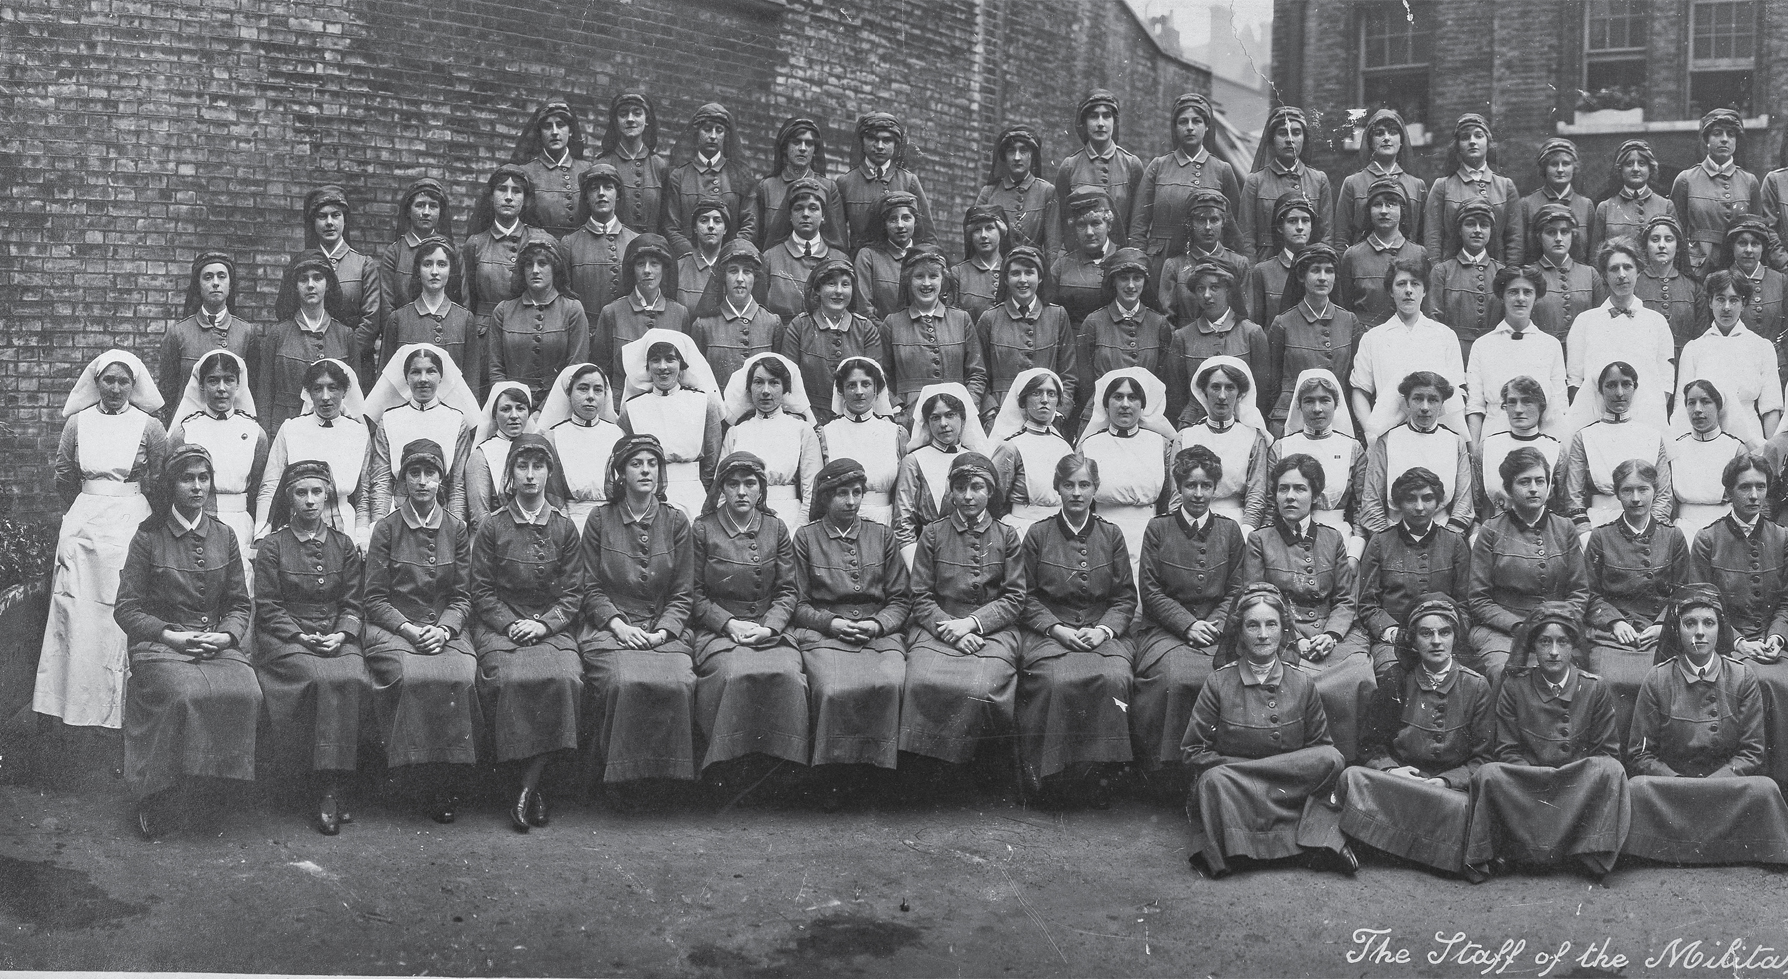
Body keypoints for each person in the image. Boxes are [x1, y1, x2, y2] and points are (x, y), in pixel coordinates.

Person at [114, 444, 259, 838]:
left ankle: (213, 788)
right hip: (160, 646)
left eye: (203, 478)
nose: (197, 487)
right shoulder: (148, 537)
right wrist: (170, 635)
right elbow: (126, 610)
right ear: (170, 485)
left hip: (214, 642)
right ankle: (156, 793)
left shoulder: (225, 535)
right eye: (187, 478)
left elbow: (238, 603)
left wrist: (226, 635)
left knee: (248, 691)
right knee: (185, 693)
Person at [1181, 583, 1354, 879]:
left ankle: (1266, 846)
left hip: (1289, 784)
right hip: (1239, 785)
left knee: (1333, 758)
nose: (1262, 634)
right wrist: (1247, 772)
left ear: (1284, 630)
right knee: (1212, 781)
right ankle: (1303, 844)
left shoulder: (1302, 683)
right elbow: (1193, 751)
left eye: (1271, 624)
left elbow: (1319, 747)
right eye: (1253, 625)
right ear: (1240, 632)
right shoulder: (1218, 683)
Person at [36, 350, 169, 730]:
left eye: (122, 381)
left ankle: (123, 713)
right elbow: (64, 474)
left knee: (121, 613)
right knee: (78, 613)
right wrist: (82, 511)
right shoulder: (77, 423)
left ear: (134, 384)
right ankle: (74, 709)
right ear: (96, 384)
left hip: (130, 522)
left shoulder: (150, 427)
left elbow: (159, 478)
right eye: (107, 380)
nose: (114, 388)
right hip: (84, 526)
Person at [359, 437, 479, 824]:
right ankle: (411, 777)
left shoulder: (457, 529)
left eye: (431, 473)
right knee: (411, 676)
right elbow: (374, 599)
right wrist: (409, 630)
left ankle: (444, 779)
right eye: (415, 473)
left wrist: (445, 630)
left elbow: (463, 597)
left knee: (459, 675)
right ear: (403, 479)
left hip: (445, 631)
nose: (423, 482)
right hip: (394, 629)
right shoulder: (386, 528)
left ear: (441, 480)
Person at [1624, 586, 1788, 866]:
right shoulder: (1657, 679)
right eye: (1690, 623)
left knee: (1765, 790)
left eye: (1708, 623)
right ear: (1678, 630)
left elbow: (1752, 752)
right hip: (1672, 790)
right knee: (1637, 789)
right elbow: (1641, 754)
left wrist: (1715, 782)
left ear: (1719, 630)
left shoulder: (1742, 676)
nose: (1699, 632)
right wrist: (1678, 782)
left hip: (1725, 789)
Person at [1465, 603, 1630, 883]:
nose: (1553, 651)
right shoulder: (1514, 687)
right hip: (1528, 782)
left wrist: (1569, 775)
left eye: (1562, 642)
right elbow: (1507, 749)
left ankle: (1590, 852)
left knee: (1612, 770)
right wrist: (1539, 776)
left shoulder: (1594, 687)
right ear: (1533, 646)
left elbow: (1607, 750)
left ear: (1573, 646)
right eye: (1545, 642)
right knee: (1489, 775)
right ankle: (1514, 852)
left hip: (1577, 783)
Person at [470, 433, 585, 832]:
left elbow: (573, 593)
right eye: (523, 466)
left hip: (551, 627)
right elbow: (481, 591)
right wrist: (509, 623)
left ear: (549, 472)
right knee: (507, 680)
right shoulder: (492, 527)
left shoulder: (565, 528)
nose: (531, 475)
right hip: (501, 627)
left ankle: (528, 786)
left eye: (539, 466)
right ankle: (524, 785)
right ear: (511, 473)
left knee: (565, 678)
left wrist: (545, 623)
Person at [1333, 596, 1492, 881]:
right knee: (1352, 778)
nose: (1436, 641)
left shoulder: (1476, 686)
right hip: (1401, 784)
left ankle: (1388, 843)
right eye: (1426, 633)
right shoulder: (1396, 678)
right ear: (1413, 639)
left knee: (1465, 809)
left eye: (1444, 632)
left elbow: (1484, 758)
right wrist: (1393, 770)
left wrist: (1446, 781)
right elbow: (1370, 745)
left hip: (1448, 791)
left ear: (1455, 637)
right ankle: (1430, 851)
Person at [252, 460, 370, 836]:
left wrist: (342, 634)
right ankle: (315, 787)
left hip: (334, 635)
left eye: (316, 492)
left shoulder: (344, 545)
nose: (309, 501)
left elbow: (354, 603)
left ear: (327, 496)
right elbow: (268, 606)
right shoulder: (273, 547)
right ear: (289, 499)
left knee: (352, 674)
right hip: (286, 639)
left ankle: (335, 783)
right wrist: (300, 636)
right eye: (301, 493)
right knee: (315, 678)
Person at [578, 434, 699, 798]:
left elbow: (682, 591)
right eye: (636, 463)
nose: (645, 470)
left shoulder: (676, 521)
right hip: (610, 629)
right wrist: (617, 623)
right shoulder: (599, 519)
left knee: (678, 682)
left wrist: (663, 633)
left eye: (652, 464)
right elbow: (588, 585)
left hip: (662, 631)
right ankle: (620, 784)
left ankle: (667, 785)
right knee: (623, 682)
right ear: (620, 472)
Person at [1016, 454, 1135, 806]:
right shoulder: (1038, 535)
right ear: (1057, 488)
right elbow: (1025, 596)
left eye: (1084, 485)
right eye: (1069, 485)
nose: (1077, 493)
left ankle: (1102, 779)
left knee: (1114, 678)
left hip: (1101, 632)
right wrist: (1055, 629)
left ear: (1095, 489)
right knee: (1055, 681)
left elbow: (1125, 597)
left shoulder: (1111, 535)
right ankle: (1052, 782)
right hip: (1050, 634)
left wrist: (1104, 631)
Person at [790, 458, 910, 808]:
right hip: (825, 633)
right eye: (841, 493)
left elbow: (901, 599)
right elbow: (796, 603)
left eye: (857, 492)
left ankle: (879, 781)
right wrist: (831, 624)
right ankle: (831, 780)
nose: (851, 501)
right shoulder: (806, 538)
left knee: (889, 683)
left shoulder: (882, 536)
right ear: (825, 498)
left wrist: (878, 624)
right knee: (832, 687)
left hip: (878, 633)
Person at [1242, 454, 1376, 762]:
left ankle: (1348, 763)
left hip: (1334, 633)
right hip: (1283, 634)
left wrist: (1332, 634)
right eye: (1283, 489)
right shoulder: (1260, 540)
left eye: (1300, 489)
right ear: (1274, 495)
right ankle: (1301, 763)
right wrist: (1292, 638)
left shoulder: (1332, 539)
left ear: (1314, 495)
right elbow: (1257, 597)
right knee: (1292, 680)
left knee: (1358, 677)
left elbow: (1345, 599)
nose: (1290, 496)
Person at [899, 452, 1026, 768]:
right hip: (936, 627)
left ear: (990, 491)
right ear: (950, 492)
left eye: (977, 487)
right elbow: (920, 596)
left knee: (982, 685)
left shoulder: (1007, 536)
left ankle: (977, 768)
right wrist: (951, 630)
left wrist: (971, 624)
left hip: (991, 631)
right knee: (920, 680)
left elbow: (1013, 598)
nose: (968, 496)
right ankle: (925, 768)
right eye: (960, 487)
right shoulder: (932, 533)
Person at [1131, 445, 1247, 792]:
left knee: (1228, 679)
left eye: (1206, 486)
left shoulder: (1229, 531)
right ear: (1179, 487)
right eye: (1190, 485)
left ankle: (1220, 771)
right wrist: (1187, 624)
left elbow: (1237, 588)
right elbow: (1150, 592)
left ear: (1215, 489)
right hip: (1167, 630)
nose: (1198, 494)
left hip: (1218, 630)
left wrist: (1213, 624)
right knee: (1175, 679)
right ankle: (1166, 774)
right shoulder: (1158, 529)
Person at [689, 451, 808, 786]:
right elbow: (694, 595)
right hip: (720, 630)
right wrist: (728, 624)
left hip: (769, 629)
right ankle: (727, 768)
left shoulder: (776, 527)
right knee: (731, 674)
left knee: (787, 675)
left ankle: (781, 770)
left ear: (761, 490)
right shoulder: (703, 530)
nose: (741, 491)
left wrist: (770, 626)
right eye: (733, 483)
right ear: (721, 490)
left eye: (749, 483)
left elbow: (788, 591)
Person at [1689, 453, 1788, 785]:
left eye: (1761, 486)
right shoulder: (1707, 540)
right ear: (1728, 491)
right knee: (1758, 683)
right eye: (1745, 487)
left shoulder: (1782, 538)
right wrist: (1741, 641)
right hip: (1728, 647)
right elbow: (1701, 605)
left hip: (1775, 646)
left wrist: (1777, 637)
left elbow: (1787, 601)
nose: (1754, 496)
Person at [1584, 459, 1690, 736]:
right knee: (1609, 681)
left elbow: (1683, 592)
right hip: (1611, 636)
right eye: (1627, 490)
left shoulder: (1673, 537)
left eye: (1643, 490)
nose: (1635, 498)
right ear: (1617, 493)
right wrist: (1615, 623)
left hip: (1660, 634)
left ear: (1655, 491)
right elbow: (1590, 594)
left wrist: (1662, 625)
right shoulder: (1601, 537)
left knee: (1665, 681)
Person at [1468, 447, 1591, 684]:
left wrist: (1558, 623)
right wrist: (1517, 626)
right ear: (1508, 489)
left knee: (1577, 675)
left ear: (1549, 486)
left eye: (1540, 481)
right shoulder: (1490, 531)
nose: (1534, 488)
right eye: (1524, 482)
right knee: (1504, 673)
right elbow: (1478, 599)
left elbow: (1580, 591)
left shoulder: (1565, 528)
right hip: (1504, 630)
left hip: (1559, 628)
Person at [1356, 468, 1473, 690]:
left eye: (1427, 498)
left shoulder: (1455, 543)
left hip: (1444, 640)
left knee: (1466, 679)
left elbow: (1465, 603)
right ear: (1399, 503)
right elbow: (1367, 605)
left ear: (1438, 502)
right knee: (1392, 676)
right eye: (1411, 499)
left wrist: (1449, 633)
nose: (1419, 507)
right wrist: (1393, 633)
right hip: (1395, 640)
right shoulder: (1380, 543)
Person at [168, 351, 268, 590]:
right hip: (195, 520)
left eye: (229, 380)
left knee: (239, 589)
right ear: (201, 386)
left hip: (240, 523)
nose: (221, 388)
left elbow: (258, 486)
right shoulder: (186, 431)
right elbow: (169, 485)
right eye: (213, 380)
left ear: (238, 384)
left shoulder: (254, 432)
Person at [254, 359, 374, 549]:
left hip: (345, 528)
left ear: (344, 391)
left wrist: (362, 536)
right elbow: (270, 486)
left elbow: (364, 494)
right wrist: (261, 535)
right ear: (309, 393)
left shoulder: (358, 433)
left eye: (333, 388)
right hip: (296, 525)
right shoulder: (291, 428)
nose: (325, 397)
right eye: (318, 389)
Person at [461, 165, 559, 396]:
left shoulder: (543, 239)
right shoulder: (475, 244)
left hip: (531, 332)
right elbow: (467, 300)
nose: (508, 197)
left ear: (525, 200)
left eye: (516, 191)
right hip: (485, 338)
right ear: (491, 196)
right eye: (501, 189)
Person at [1561, 240, 1675, 438]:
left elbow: (1665, 382)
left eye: (1628, 267)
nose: (1621, 275)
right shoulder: (1585, 322)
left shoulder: (1656, 322)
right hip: (1596, 424)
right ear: (1605, 275)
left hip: (1644, 423)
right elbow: (1575, 381)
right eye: (1614, 269)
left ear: (1638, 272)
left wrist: (1642, 419)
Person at [1350, 257, 1466, 444]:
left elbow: (1455, 395)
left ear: (1425, 290)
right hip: (1389, 437)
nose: (1409, 290)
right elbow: (1360, 391)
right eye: (1401, 284)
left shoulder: (1444, 336)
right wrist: (1371, 433)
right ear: (1390, 291)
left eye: (1415, 284)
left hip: (1436, 437)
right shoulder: (1374, 338)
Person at [364, 343, 479, 523]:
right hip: (398, 515)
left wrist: (457, 529)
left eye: (431, 371)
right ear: (406, 377)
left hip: (443, 515)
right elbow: (381, 482)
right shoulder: (389, 419)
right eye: (416, 372)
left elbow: (457, 485)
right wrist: (379, 525)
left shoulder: (456, 420)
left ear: (441, 377)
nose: (423, 379)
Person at [613, 329, 724, 517]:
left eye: (670, 359)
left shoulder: (703, 402)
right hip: (646, 494)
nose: (663, 367)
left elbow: (712, 459)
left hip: (693, 493)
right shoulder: (631, 408)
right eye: (655, 360)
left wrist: (700, 489)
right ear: (647, 366)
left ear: (681, 365)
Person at [1128, 93, 1240, 278]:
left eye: (1196, 121)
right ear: (1175, 127)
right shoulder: (1158, 166)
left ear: (1206, 127)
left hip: (1209, 264)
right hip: (1160, 262)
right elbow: (1139, 225)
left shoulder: (1222, 169)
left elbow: (1232, 227)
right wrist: (1140, 265)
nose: (1189, 128)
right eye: (1183, 122)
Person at [1078, 368, 1175, 575]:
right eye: (1117, 397)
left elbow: (1168, 498)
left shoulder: (1161, 445)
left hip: (1149, 537)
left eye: (1133, 398)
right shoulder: (1089, 445)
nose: (1125, 404)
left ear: (1142, 405)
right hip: (1101, 535)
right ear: (1105, 404)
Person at [1561, 362, 1675, 533]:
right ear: (1600, 390)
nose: (1619, 393)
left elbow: (1664, 495)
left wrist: (1648, 533)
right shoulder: (1585, 436)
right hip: (1597, 525)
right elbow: (1573, 496)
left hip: (1644, 526)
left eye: (1626, 384)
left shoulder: (1652, 436)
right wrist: (1586, 533)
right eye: (1611, 385)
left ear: (1635, 388)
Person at [1358, 371, 1475, 537]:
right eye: (1418, 398)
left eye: (1433, 400)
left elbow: (1464, 503)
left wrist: (1448, 541)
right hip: (1393, 534)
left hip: (1443, 534)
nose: (1425, 407)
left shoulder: (1455, 442)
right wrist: (1385, 541)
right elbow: (1372, 501)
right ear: (1407, 402)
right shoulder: (1387, 440)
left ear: (1442, 404)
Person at [976, 245, 1077, 428]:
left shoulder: (1058, 316)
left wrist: (1060, 413)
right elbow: (979, 374)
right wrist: (990, 413)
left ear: (1040, 278)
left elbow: (1068, 374)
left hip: (1048, 415)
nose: (1022, 280)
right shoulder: (989, 319)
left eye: (1029, 273)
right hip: (1001, 414)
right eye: (1015, 273)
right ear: (1006, 279)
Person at [1464, 266, 1569, 441]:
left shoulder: (1550, 345)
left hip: (1540, 440)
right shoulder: (1483, 345)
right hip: (1493, 438)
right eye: (1513, 292)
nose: (1520, 298)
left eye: (1527, 292)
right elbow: (1475, 406)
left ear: (1536, 297)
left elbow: (1560, 406)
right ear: (1502, 296)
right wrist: (1475, 452)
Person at [884, 245, 987, 421]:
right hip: (910, 415)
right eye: (919, 276)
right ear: (909, 280)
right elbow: (881, 376)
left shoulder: (961, 320)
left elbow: (977, 373)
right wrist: (897, 408)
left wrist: (967, 406)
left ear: (943, 280)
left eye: (933, 276)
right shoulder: (892, 323)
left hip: (954, 414)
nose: (926, 283)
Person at [1269, 368, 1365, 557]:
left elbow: (1362, 506)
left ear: (1336, 404)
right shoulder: (1281, 447)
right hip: (1286, 540)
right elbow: (1270, 505)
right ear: (1299, 405)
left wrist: (1354, 554)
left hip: (1340, 540)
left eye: (1324, 400)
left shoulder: (1352, 448)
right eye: (1309, 401)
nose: (1317, 408)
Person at [1161, 263, 1269, 427]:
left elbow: (1261, 390)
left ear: (1228, 290)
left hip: (1242, 424)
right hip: (1194, 424)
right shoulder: (1182, 337)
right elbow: (1176, 393)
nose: (1206, 295)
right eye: (1200, 289)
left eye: (1214, 287)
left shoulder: (1251, 333)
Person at [779, 257, 885, 424]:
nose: (839, 291)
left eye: (845, 284)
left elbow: (874, 381)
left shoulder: (865, 329)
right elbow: (788, 380)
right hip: (808, 416)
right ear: (818, 290)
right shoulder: (800, 326)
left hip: (855, 416)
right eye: (831, 284)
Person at [1075, 248, 1171, 431]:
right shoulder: (1094, 322)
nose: (1131, 285)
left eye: (1137, 278)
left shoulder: (1159, 324)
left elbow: (1162, 376)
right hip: (1100, 417)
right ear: (1113, 282)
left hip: (1147, 417)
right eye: (1124, 278)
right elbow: (1085, 380)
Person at [258, 250, 354, 434]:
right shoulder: (278, 335)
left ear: (328, 284)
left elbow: (354, 397)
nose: (311, 285)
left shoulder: (345, 335)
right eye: (303, 279)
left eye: (317, 278)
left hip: (335, 432)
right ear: (295, 287)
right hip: (286, 428)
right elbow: (264, 396)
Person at [893, 382, 990, 563]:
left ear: (962, 418)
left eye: (950, 415)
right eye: (935, 418)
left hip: (972, 552)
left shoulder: (975, 459)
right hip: (928, 553)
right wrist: (917, 569)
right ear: (927, 423)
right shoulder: (914, 461)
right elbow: (903, 523)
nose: (943, 424)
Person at [1264, 245, 1356, 435]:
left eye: (1329, 271)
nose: (1323, 277)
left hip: (1337, 419)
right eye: (1315, 270)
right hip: (1290, 419)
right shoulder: (1283, 323)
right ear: (1301, 276)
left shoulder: (1348, 321)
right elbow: (1273, 382)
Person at [293, 185, 381, 381]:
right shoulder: (300, 265)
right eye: (322, 216)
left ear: (345, 219)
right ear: (313, 222)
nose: (330, 222)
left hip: (354, 362)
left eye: (336, 215)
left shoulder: (363, 265)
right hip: (309, 362)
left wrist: (344, 355)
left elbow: (371, 321)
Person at [157, 252, 256, 424]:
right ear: (198, 285)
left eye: (221, 276)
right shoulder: (178, 333)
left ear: (230, 285)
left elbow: (252, 389)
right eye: (208, 277)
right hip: (188, 426)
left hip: (233, 426)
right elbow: (167, 391)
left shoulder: (246, 332)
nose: (215, 283)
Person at [1173, 356, 1270, 531]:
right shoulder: (1185, 437)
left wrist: (1247, 532)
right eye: (1216, 387)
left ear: (1240, 394)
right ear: (1204, 391)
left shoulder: (1253, 438)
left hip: (1237, 525)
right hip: (1190, 525)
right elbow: (1176, 496)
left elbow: (1256, 494)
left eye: (1230, 388)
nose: (1222, 396)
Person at [720, 352, 825, 511]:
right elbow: (721, 488)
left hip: (788, 515)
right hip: (742, 516)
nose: (765, 391)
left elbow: (812, 490)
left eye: (774, 383)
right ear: (749, 388)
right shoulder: (736, 432)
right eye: (758, 382)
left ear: (785, 389)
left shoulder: (802, 430)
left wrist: (800, 527)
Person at [489, 241, 589, 407]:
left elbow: (574, 369)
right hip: (512, 409)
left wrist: (543, 410)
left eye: (542, 263)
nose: (535, 270)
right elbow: (495, 370)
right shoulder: (503, 311)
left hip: (559, 406)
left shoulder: (572, 309)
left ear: (555, 268)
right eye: (529, 265)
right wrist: (515, 408)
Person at [1670, 108, 1761, 275]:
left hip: (1737, 268)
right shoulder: (1686, 180)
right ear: (1706, 140)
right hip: (1697, 268)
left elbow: (1758, 233)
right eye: (1717, 133)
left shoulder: (1749, 181)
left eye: (1731, 134)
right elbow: (1676, 231)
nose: (1724, 139)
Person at [593, 234, 692, 386]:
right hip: (622, 404)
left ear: (664, 269)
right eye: (640, 264)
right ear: (632, 269)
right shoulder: (612, 313)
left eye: (654, 264)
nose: (647, 270)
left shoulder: (679, 313)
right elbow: (601, 370)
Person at [536, 364, 624, 530]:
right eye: (583, 389)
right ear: (569, 394)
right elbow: (554, 496)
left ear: (605, 395)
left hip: (615, 522)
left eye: (598, 390)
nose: (590, 396)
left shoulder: (617, 434)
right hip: (570, 523)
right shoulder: (553, 438)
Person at [819, 356, 906, 527]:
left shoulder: (894, 433)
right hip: (840, 523)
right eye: (851, 385)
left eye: (865, 384)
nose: (859, 392)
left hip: (885, 523)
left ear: (876, 390)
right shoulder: (827, 433)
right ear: (842, 391)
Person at [988, 367, 1074, 538]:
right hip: (1022, 529)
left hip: (1061, 529)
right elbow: (996, 500)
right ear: (1023, 401)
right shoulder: (1011, 447)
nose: (1044, 400)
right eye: (1036, 393)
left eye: (1051, 394)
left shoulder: (1064, 447)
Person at [1422, 114, 1520, 265]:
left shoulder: (1506, 186)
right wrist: (1438, 274)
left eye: (1479, 136)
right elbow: (1433, 238)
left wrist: (1509, 277)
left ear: (1488, 143)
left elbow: (1515, 239)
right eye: (1465, 137)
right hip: (1453, 275)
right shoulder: (1443, 186)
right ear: (1457, 146)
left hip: (1496, 274)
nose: (1472, 141)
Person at [659, 103, 754, 257]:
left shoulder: (739, 176)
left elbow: (750, 225)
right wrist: (694, 259)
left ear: (726, 135)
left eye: (719, 130)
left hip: (729, 263)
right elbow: (671, 227)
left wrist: (728, 256)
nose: (713, 136)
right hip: (688, 263)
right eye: (707, 129)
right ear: (697, 133)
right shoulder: (679, 176)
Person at [1053, 90, 1145, 249]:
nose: (1101, 123)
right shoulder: (1069, 167)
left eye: (1107, 116)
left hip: (1120, 260)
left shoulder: (1131, 165)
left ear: (1114, 122)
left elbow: (1138, 224)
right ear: (1084, 122)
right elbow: (1062, 224)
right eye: (1094, 116)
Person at [835, 112, 937, 254]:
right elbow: (836, 235)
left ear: (896, 145)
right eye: (872, 139)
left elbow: (927, 236)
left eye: (887, 140)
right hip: (859, 265)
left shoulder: (908, 181)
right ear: (862, 142)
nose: (879, 146)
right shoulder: (846, 182)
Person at [1238, 107, 1331, 262]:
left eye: (1296, 133)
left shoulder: (1319, 180)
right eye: (1282, 133)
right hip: (1266, 263)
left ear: (1304, 138)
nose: (1289, 139)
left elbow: (1326, 235)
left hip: (1308, 264)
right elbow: (1246, 238)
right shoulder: (1255, 181)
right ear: (1272, 139)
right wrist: (1253, 275)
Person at [689, 238, 780, 391]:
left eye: (747, 272)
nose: (740, 279)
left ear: (755, 277)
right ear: (723, 277)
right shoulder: (703, 325)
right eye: (733, 271)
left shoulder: (772, 323)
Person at [1331, 108, 1427, 250]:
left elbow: (1422, 236)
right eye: (1379, 133)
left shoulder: (1417, 185)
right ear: (1370, 141)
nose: (1386, 138)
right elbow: (1341, 237)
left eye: (1393, 133)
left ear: (1401, 141)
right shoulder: (1353, 183)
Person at [1335, 178, 1427, 328]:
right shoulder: (1353, 256)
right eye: (1377, 205)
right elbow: (1345, 307)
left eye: (1391, 204)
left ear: (1402, 210)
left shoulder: (1418, 253)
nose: (1384, 211)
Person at [747, 116, 846, 252]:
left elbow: (837, 240)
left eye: (809, 143)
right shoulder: (767, 187)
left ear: (814, 150)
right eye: (796, 142)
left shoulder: (828, 188)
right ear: (785, 148)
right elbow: (756, 239)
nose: (803, 148)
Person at [557, 164, 638, 332]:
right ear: (586, 197)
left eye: (608, 187)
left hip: (627, 332)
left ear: (618, 195)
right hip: (585, 331)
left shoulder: (635, 241)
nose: (601, 193)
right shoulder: (570, 243)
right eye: (594, 188)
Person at [380, 236, 475, 375]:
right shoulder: (398, 319)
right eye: (427, 264)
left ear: (450, 270)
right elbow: (385, 382)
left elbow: (471, 382)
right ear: (418, 269)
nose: (434, 272)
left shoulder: (465, 320)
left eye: (442, 264)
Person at [1669, 380, 1752, 540]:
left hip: (1726, 530)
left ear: (1718, 406)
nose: (1698, 409)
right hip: (1683, 530)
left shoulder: (1736, 449)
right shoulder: (1675, 448)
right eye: (1691, 403)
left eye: (1706, 402)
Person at [376, 177, 455, 342]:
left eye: (433, 206)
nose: (426, 212)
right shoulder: (394, 253)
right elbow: (387, 307)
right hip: (405, 338)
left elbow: (461, 302)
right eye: (419, 205)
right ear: (408, 211)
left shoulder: (451, 252)